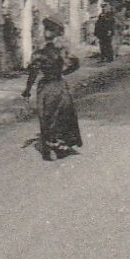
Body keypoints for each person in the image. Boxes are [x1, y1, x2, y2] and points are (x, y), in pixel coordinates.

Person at [21, 30, 83, 162]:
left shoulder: (38, 54)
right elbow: (75, 64)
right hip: (59, 85)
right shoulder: (60, 52)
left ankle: (49, 147)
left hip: (46, 87)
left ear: (44, 40)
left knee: (46, 116)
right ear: (55, 39)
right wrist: (62, 73)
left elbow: (33, 74)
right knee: (64, 113)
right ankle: (62, 143)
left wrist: (27, 91)